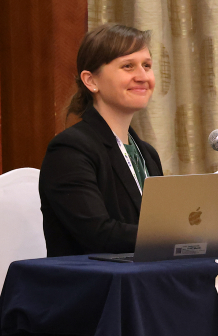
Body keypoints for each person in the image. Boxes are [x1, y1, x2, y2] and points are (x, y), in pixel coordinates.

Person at [40, 24, 163, 257]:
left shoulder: (147, 153)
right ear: (91, 81)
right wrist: (177, 236)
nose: (142, 76)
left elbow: (156, 229)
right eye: (128, 66)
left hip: (145, 279)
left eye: (147, 66)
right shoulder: (70, 150)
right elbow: (97, 234)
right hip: (95, 286)